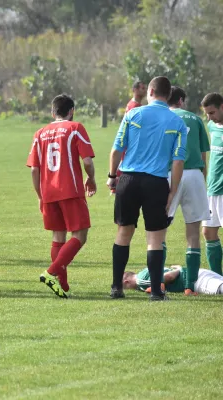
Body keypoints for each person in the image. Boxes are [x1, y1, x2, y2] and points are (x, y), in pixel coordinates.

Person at [107, 76, 187, 301]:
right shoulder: (177, 123)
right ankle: (157, 293)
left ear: (150, 91)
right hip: (156, 182)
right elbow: (178, 161)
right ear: (169, 94)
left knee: (124, 233)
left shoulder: (133, 114)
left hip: (129, 180)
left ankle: (116, 288)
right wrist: (172, 191)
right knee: (155, 238)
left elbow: (116, 149)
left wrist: (112, 177)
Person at [27, 94, 97, 298]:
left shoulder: (40, 133)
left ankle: (62, 284)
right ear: (72, 111)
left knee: (58, 237)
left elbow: (33, 170)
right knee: (80, 236)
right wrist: (90, 178)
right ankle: (50, 273)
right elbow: (87, 162)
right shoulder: (75, 128)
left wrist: (40, 196)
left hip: (48, 191)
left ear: (52, 112)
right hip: (70, 189)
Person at [164, 86, 210, 295]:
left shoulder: (162, 117)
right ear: (181, 100)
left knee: (159, 230)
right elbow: (203, 156)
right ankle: (190, 286)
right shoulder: (195, 119)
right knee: (193, 233)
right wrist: (203, 179)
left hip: (168, 174)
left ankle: (158, 281)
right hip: (193, 174)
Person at [201, 93, 223, 276]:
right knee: (208, 232)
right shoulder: (211, 126)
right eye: (207, 113)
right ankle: (217, 277)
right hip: (212, 189)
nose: (209, 117)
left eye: (213, 112)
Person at [123, 265, 223, 295]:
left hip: (197, 280)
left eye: (125, 288)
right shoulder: (144, 272)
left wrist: (178, 270)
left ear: (126, 282)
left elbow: (169, 276)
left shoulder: (140, 280)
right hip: (199, 273)